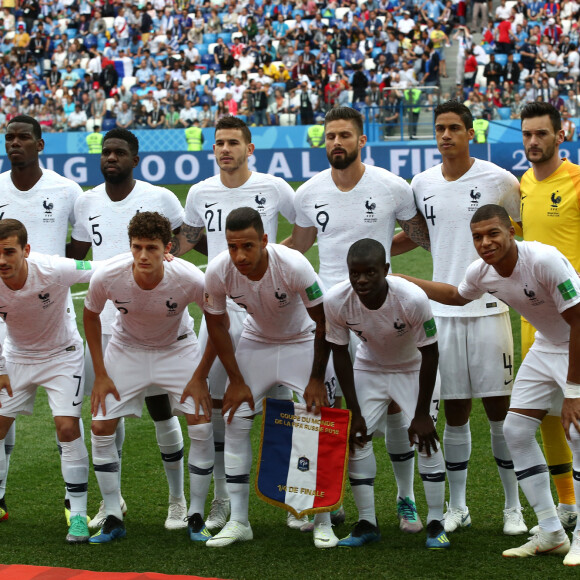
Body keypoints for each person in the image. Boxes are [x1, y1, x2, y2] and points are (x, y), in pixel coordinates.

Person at [400, 204, 580, 565]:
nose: (485, 242)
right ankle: (550, 531)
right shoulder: (482, 271)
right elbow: (456, 296)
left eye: (493, 233)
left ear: (512, 231)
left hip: (576, 340)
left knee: (577, 432)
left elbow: (579, 321)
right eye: (478, 237)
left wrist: (573, 393)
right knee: (515, 431)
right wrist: (409, 281)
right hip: (548, 345)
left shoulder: (544, 260)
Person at [282, 106, 432, 534]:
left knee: (397, 410)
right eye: (330, 136)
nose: (336, 143)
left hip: (381, 311)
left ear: (361, 140)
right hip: (331, 316)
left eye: (344, 136)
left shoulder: (390, 187)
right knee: (327, 408)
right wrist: (263, 257)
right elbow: (300, 244)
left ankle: (406, 501)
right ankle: (325, 499)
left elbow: (420, 235)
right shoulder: (308, 192)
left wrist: (378, 263)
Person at [393, 101, 526, 536]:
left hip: (490, 308)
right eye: (439, 129)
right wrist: (375, 249)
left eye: (454, 128)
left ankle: (513, 508)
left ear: (470, 132)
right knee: (454, 411)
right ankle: (459, 505)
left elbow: (519, 232)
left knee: (499, 411)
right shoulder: (422, 183)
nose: (445, 135)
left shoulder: (500, 180)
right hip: (442, 312)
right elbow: (419, 235)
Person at [172, 115, 298, 533]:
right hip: (221, 311)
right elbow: (188, 240)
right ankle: (224, 501)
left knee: (284, 409)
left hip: (273, 312)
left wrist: (281, 267)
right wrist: (215, 273)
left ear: (250, 149)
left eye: (233, 142)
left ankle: (294, 501)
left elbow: (303, 232)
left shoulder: (274, 187)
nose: (225, 149)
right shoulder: (198, 192)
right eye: (219, 143)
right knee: (224, 408)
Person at [67, 129, 191, 531]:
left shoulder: (160, 197)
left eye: (119, 152)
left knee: (161, 409)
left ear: (135, 159)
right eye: (106, 152)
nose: (111, 157)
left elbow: (185, 235)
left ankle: (177, 501)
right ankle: (112, 501)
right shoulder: (86, 201)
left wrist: (164, 270)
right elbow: (78, 253)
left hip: (154, 321)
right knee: (106, 412)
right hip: (104, 322)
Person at [202, 206, 336, 549]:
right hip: (257, 341)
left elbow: (323, 322)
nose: (239, 255)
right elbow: (216, 323)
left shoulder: (292, 263)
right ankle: (239, 521)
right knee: (236, 418)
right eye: (232, 247)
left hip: (303, 340)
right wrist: (235, 380)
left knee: (316, 420)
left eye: (247, 246)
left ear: (264, 240)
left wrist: (317, 378)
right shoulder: (219, 270)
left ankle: (322, 520)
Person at [84, 212, 214, 544]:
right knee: (100, 426)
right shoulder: (109, 275)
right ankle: (113, 514)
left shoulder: (188, 278)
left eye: (152, 248)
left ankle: (192, 513)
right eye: (137, 247)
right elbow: (91, 314)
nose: (143, 256)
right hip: (127, 349)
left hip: (177, 348)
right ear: (130, 247)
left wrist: (200, 375)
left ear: (168, 248)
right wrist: (100, 374)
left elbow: (216, 321)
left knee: (200, 422)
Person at [325, 239, 448, 550]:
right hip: (371, 367)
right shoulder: (337, 299)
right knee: (357, 438)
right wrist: (355, 412)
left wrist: (421, 415)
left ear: (386, 270)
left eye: (370, 273)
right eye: (355, 274)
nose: (362, 280)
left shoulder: (411, 299)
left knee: (427, 439)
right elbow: (340, 354)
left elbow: (431, 353)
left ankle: (436, 522)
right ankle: (367, 522)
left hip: (414, 367)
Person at [0, 115, 82, 524]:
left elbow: (82, 244)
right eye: (9, 138)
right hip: (3, 310)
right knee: (2, 405)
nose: (15, 144)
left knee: (75, 414)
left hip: (52, 309)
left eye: (23, 138)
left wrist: (47, 274)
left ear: (40, 144)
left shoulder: (66, 189)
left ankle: (84, 500)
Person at [0, 219, 97, 543]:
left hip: (61, 355)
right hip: (16, 357)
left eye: (8, 252)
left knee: (67, 428)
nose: (2, 260)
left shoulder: (53, 268)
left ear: (26, 250)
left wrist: (150, 259)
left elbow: (101, 269)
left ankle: (79, 515)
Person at [519, 101, 580, 531]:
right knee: (547, 419)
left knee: (577, 416)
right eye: (527, 134)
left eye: (542, 134)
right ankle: (567, 505)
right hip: (534, 324)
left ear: (562, 135)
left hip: (574, 319)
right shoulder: (521, 183)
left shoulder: (577, 180)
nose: (534, 142)